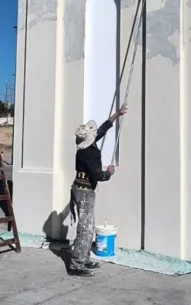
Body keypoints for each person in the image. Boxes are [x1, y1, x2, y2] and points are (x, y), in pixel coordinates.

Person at [68, 104, 128, 277]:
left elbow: (102, 129)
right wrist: (108, 173)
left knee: (88, 225)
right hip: (84, 191)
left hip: (81, 189)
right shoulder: (89, 154)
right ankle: (76, 265)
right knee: (85, 228)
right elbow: (98, 175)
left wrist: (117, 114)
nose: (96, 134)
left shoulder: (85, 145)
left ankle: (84, 258)